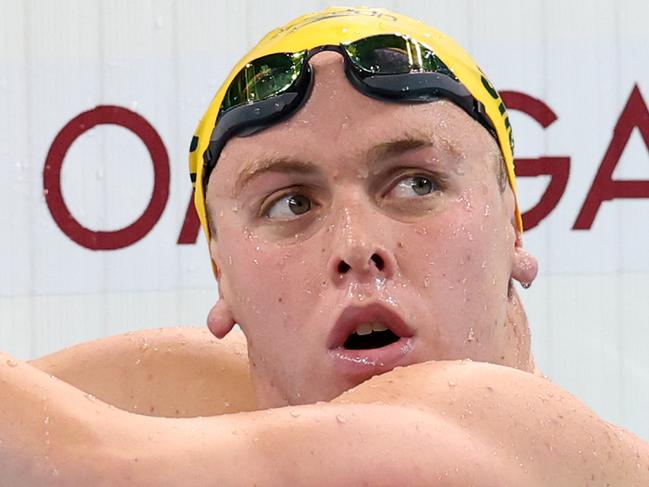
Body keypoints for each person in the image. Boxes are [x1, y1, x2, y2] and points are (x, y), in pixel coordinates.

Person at [1, 6, 648, 485]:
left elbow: (90, 461)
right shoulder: (180, 382)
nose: (357, 245)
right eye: (290, 202)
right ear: (220, 273)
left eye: (415, 183)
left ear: (513, 224)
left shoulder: (531, 439)